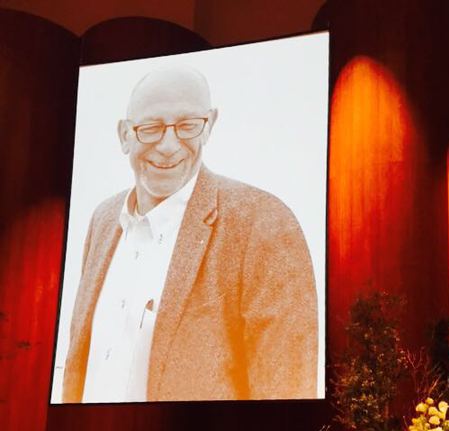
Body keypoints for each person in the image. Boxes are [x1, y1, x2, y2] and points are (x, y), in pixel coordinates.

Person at [62, 67, 318, 403]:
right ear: (124, 135)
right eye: (151, 128)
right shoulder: (103, 220)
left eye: (187, 126)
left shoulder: (265, 223)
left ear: (209, 125)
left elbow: (286, 398)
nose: (169, 146)